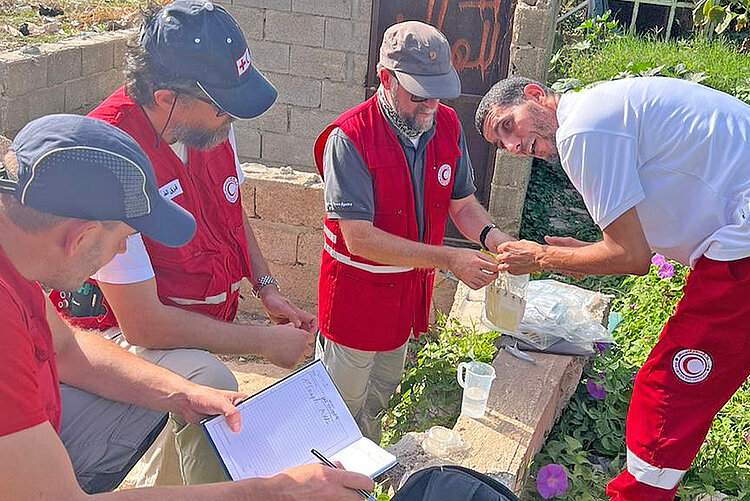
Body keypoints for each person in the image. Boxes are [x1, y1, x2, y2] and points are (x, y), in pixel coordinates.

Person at [0, 114, 373, 500]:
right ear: (80, 238)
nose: (124, 250)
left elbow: (67, 347)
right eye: (125, 238)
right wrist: (276, 491)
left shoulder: (18, 256)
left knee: (195, 378)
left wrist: (183, 393)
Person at [49, 0, 316, 486]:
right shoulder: (112, 160)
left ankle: (166, 485)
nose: (232, 119)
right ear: (169, 96)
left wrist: (267, 286)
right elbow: (145, 324)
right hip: (111, 332)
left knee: (191, 425)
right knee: (210, 383)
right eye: (222, 107)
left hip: (195, 320)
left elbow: (230, 214)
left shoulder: (206, 126)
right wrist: (262, 343)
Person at [475, 75, 750, 500]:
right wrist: (583, 254)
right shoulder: (601, 109)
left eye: (509, 126)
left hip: (741, 246)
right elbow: (628, 246)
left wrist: (542, 257)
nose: (512, 146)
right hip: (736, 238)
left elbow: (631, 258)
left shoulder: (584, 130)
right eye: (501, 143)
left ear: (534, 95)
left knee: (667, 390)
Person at [313, 21, 513, 443]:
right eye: (419, 94)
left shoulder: (446, 125)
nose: (430, 106)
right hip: (356, 301)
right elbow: (360, 239)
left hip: (404, 297)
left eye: (438, 93)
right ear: (385, 79)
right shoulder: (349, 138)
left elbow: (462, 204)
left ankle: (364, 472)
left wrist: (498, 240)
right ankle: (328, 479)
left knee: (381, 395)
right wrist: (448, 258)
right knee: (338, 405)